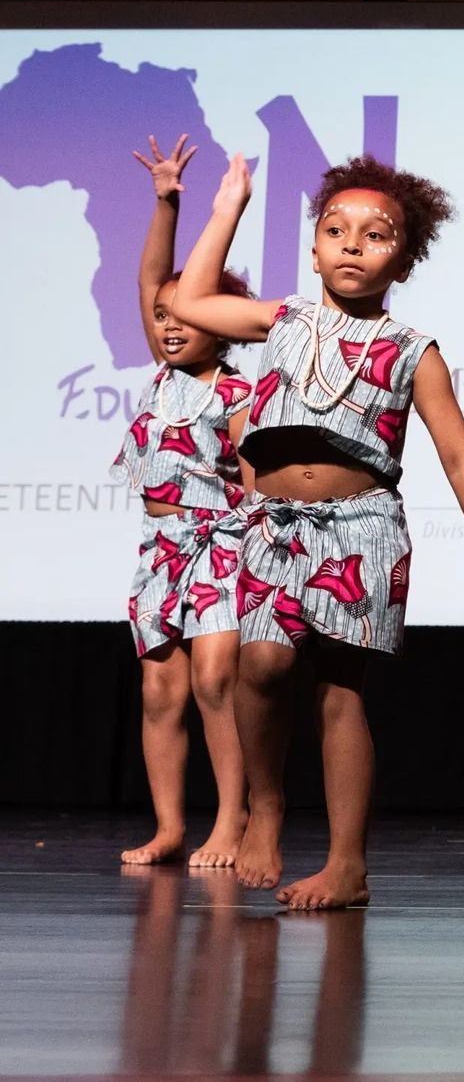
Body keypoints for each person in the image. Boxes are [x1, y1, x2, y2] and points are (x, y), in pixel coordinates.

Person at [170, 152, 464, 910]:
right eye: (335, 230)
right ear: (313, 247)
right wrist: (227, 209)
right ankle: (266, 805)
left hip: (363, 525)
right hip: (272, 524)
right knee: (264, 667)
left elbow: (459, 458)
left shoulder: (414, 350)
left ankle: (347, 863)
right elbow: (190, 300)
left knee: (342, 692)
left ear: (402, 260)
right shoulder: (281, 318)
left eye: (375, 235)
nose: (351, 243)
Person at [113, 134, 255, 868]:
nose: (169, 323)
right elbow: (148, 280)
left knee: (214, 681)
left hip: (223, 545)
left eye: (186, 315)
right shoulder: (162, 373)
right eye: (165, 317)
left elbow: (255, 482)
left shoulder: (234, 392)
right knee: (160, 691)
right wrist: (167, 200)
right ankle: (170, 824)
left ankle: (232, 820)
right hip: (159, 548)